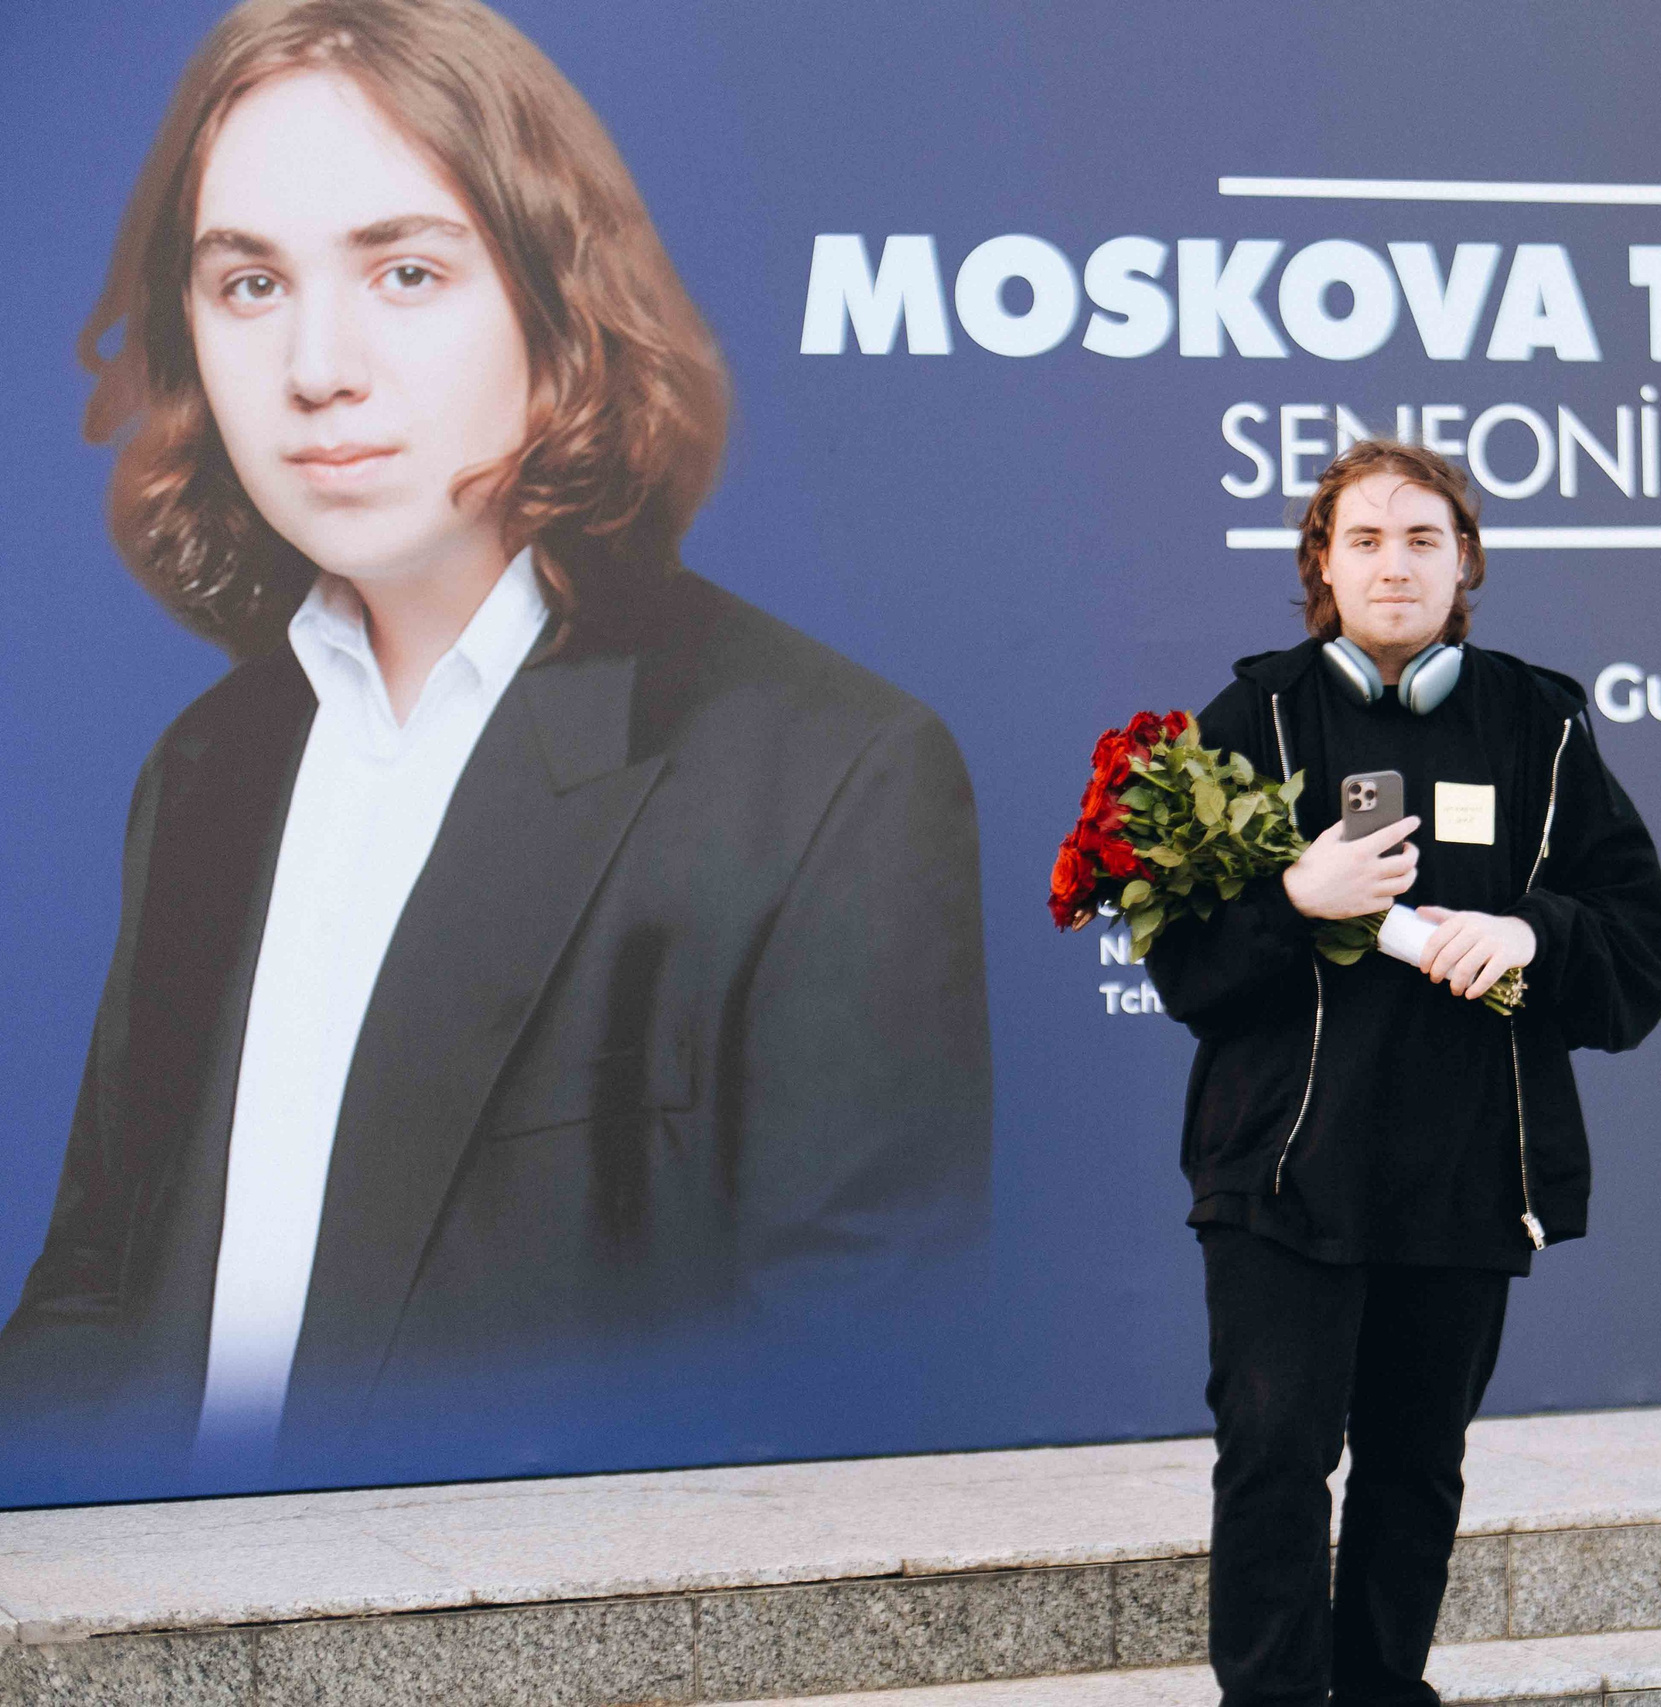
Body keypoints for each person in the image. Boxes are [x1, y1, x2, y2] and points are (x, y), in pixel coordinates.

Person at [0, 0, 990, 1488]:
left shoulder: (826, 777)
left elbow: (848, 1437)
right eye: (250, 281)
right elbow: (93, 1296)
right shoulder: (208, 766)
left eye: (406, 269)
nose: (317, 366)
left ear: (558, 304)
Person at [1147, 440, 1661, 1706]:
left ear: (1466, 564)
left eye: (1423, 539)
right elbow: (1186, 971)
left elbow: (1635, 963)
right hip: (1281, 1174)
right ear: (1320, 566)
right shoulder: (1249, 721)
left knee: (1414, 1464)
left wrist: (1532, 931)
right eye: (1365, 539)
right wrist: (1292, 895)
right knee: (1274, 1455)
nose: (1395, 562)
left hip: (1462, 1173)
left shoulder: (1541, 725)